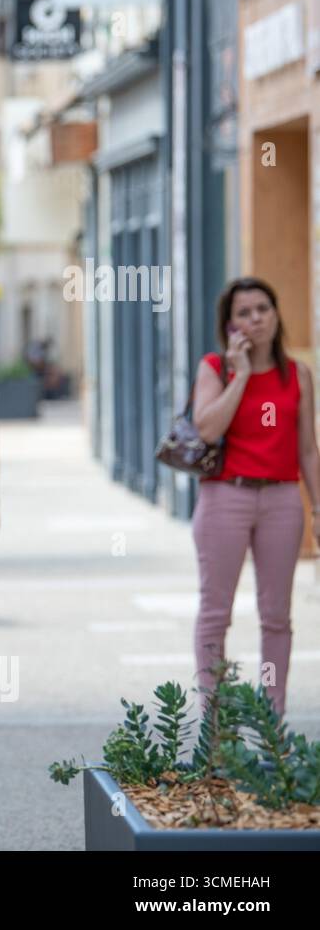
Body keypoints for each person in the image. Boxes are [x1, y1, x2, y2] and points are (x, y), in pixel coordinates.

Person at [190, 276, 320, 716]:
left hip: (282, 501)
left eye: (263, 308)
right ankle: (212, 727)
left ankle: (272, 722)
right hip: (226, 497)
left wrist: (318, 507)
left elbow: (307, 448)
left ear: (276, 313)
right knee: (215, 613)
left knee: (276, 618)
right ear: (229, 324)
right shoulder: (214, 368)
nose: (255, 318)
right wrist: (241, 375)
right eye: (243, 312)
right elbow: (207, 428)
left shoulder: (297, 374)